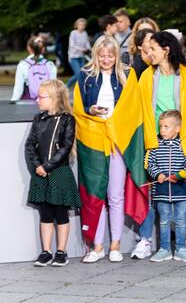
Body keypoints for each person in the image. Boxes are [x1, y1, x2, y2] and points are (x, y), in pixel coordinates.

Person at [131, 31, 186, 260]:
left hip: (182, 140)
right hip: (156, 140)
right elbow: (139, 110)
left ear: (166, 50)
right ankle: (147, 240)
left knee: (185, 194)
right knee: (153, 193)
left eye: (153, 49)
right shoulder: (147, 76)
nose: (149, 54)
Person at [76, 36, 136, 263]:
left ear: (116, 55)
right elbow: (79, 109)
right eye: (102, 55)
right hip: (94, 141)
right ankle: (97, 246)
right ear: (96, 55)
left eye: (111, 55)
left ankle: (115, 246)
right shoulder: (85, 76)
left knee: (116, 195)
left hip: (118, 142)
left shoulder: (127, 75)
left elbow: (133, 110)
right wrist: (92, 109)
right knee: (97, 196)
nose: (107, 59)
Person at [26, 79, 80, 267]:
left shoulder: (67, 119)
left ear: (55, 98)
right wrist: (37, 165)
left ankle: (61, 251)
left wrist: (48, 166)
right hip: (40, 173)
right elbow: (30, 145)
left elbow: (65, 147)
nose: (37, 100)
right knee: (45, 214)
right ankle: (46, 251)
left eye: (41, 97)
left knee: (61, 213)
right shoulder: (38, 119)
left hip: (59, 172)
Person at [147, 110, 186, 263]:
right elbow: (149, 163)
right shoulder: (155, 145)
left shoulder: (184, 144)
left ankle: (181, 248)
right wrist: (157, 174)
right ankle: (164, 249)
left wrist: (181, 174)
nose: (162, 130)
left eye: (166, 127)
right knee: (164, 220)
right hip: (161, 191)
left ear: (177, 128)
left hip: (180, 189)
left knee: (181, 220)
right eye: (161, 126)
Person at [12, 36, 58, 102]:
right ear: (43, 49)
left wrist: (14, 100)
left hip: (28, 100)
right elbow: (53, 86)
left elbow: (18, 87)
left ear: (29, 48)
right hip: (45, 101)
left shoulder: (23, 64)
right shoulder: (50, 65)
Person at [66, 18, 91, 90]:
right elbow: (72, 45)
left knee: (82, 73)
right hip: (73, 56)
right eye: (80, 25)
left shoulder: (85, 33)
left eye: (83, 25)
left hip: (81, 56)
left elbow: (87, 43)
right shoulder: (73, 33)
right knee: (78, 74)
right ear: (77, 25)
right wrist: (81, 49)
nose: (82, 26)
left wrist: (89, 49)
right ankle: (67, 85)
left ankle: (79, 88)